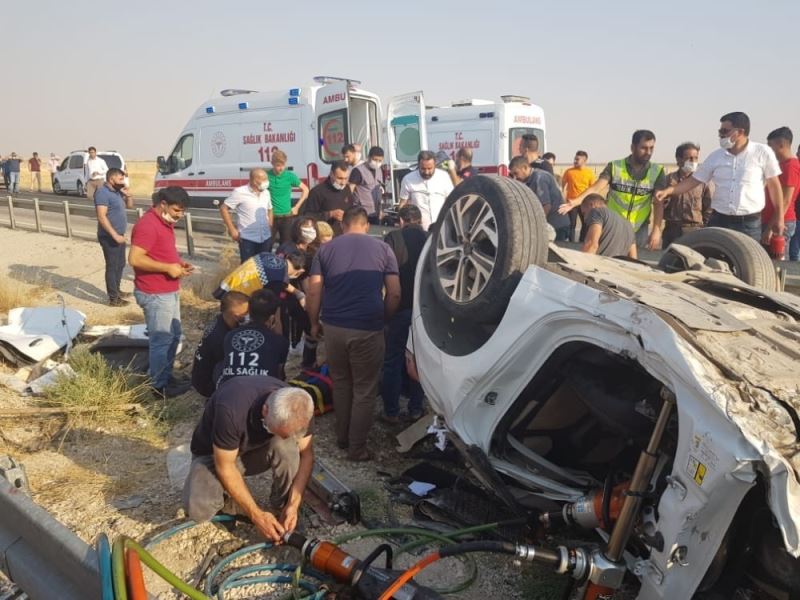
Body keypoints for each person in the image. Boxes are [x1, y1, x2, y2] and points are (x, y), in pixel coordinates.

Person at [306, 207, 401, 461]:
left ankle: (342, 436)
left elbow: (314, 291)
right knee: (365, 389)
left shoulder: (325, 250)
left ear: (343, 225)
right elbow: (394, 293)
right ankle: (357, 448)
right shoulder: (383, 249)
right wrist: (384, 319)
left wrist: (314, 323)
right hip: (368, 327)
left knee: (340, 381)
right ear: (366, 226)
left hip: (334, 327)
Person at [183, 378, 315, 543]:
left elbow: (306, 456)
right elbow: (225, 466)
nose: (282, 436)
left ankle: (282, 505)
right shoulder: (231, 410)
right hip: (215, 455)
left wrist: (293, 505)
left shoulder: (300, 407)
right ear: (265, 410)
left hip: (253, 451)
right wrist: (256, 515)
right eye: (275, 430)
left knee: (287, 448)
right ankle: (229, 505)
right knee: (197, 510)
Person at [654, 112, 783, 243]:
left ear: (740, 132)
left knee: (747, 256)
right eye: (719, 131)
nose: (720, 135)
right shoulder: (716, 156)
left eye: (724, 131)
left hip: (748, 223)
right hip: (719, 220)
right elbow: (694, 180)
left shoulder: (762, 152)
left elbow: (774, 186)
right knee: (713, 255)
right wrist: (668, 191)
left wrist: (779, 217)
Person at [128, 186, 193, 397]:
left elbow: (159, 253)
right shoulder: (147, 225)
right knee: (161, 340)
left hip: (168, 290)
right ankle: (158, 387)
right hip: (155, 293)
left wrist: (178, 264)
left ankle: (166, 376)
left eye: (182, 211)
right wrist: (167, 268)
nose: (179, 215)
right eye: (176, 210)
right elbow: (135, 259)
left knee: (174, 336)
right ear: (163, 204)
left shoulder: (165, 223)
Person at [560, 130, 666, 249]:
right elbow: (596, 188)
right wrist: (575, 202)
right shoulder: (615, 166)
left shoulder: (657, 171)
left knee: (633, 259)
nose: (648, 152)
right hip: (612, 226)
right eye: (644, 148)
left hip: (639, 230)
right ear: (632, 147)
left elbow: (658, 203)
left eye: (651, 148)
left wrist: (656, 230)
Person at [381, 205, 427, 424]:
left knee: (393, 360)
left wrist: (386, 313)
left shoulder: (393, 238)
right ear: (420, 220)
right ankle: (416, 408)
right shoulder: (430, 239)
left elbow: (386, 275)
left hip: (400, 307)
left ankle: (391, 411)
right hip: (424, 310)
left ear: (401, 220)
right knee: (419, 360)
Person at [218, 289, 289, 385]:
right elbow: (279, 377)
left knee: (219, 366)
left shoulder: (230, 335)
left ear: (249, 311)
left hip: (229, 390)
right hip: (262, 392)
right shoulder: (280, 342)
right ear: (272, 318)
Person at [191, 291, 250, 398]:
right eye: (246, 313)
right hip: (207, 385)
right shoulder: (221, 338)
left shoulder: (221, 319)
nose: (248, 315)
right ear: (235, 316)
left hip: (201, 376)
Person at [95, 168, 134, 306]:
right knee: (112, 266)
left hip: (119, 235)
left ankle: (117, 290)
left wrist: (129, 196)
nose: (123, 181)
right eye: (120, 179)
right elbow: (101, 216)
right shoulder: (102, 192)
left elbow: (130, 206)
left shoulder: (117, 192)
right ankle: (113, 299)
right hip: (109, 236)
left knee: (120, 264)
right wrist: (115, 235)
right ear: (111, 179)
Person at [661, 143, 713, 247]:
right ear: (679, 159)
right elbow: (660, 206)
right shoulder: (668, 180)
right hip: (672, 230)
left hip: (695, 230)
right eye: (689, 158)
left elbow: (709, 208)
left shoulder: (703, 181)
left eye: (695, 158)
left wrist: (705, 229)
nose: (693, 161)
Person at [509, 156, 571, 240]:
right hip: (550, 226)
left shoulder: (540, 178)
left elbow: (546, 206)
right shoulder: (529, 180)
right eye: (512, 175)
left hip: (557, 227)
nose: (515, 177)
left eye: (516, 173)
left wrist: (536, 227)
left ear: (525, 168)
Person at [221, 168, 273, 263]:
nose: (267, 182)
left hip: (265, 238)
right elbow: (224, 208)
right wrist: (232, 229)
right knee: (248, 267)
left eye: (267, 179)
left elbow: (270, 209)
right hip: (248, 239)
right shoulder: (240, 192)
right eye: (264, 179)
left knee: (265, 266)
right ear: (254, 181)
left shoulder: (266, 193)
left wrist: (270, 224)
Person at [761, 127, 799, 258]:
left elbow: (785, 200)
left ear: (781, 145)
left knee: (776, 262)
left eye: (770, 146)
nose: (768, 150)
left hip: (780, 222)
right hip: (770, 220)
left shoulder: (791, 166)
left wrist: (770, 228)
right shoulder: (780, 165)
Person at [398, 150, 454, 231]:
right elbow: (402, 204)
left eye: (429, 168)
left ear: (435, 165)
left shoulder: (444, 177)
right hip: (418, 229)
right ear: (418, 165)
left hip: (441, 227)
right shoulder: (408, 179)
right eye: (423, 169)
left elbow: (451, 201)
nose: (426, 172)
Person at [268, 150, 309, 247]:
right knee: (268, 245)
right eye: (278, 165)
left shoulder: (290, 176)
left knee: (286, 246)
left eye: (283, 165)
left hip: (287, 217)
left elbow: (306, 190)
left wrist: (297, 207)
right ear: (272, 163)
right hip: (271, 217)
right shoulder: (267, 176)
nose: (281, 168)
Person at [301, 161, 353, 236]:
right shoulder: (317, 191)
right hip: (324, 236)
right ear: (331, 174)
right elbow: (308, 216)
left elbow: (351, 208)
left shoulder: (346, 189)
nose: (343, 183)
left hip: (344, 234)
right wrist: (329, 214)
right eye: (340, 178)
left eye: (346, 178)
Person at [580, 194, 637, 258]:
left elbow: (591, 245)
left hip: (598, 263)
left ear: (592, 205)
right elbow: (633, 258)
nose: (584, 218)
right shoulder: (628, 225)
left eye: (584, 213)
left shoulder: (597, 212)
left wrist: (581, 262)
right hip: (616, 264)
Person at [561, 151, 596, 242]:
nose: (575, 161)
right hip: (571, 202)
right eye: (575, 159)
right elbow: (563, 186)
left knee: (585, 223)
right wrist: (564, 198)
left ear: (584, 160)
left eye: (577, 159)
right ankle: (571, 243)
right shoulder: (569, 172)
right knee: (571, 224)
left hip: (584, 202)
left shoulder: (589, 173)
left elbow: (593, 188)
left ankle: (581, 242)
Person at [349, 146, 386, 224]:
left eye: (380, 160)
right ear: (368, 157)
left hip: (375, 212)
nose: (377, 163)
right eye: (375, 159)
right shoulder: (358, 171)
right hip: (361, 213)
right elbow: (349, 191)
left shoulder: (379, 170)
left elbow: (379, 190)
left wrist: (381, 210)